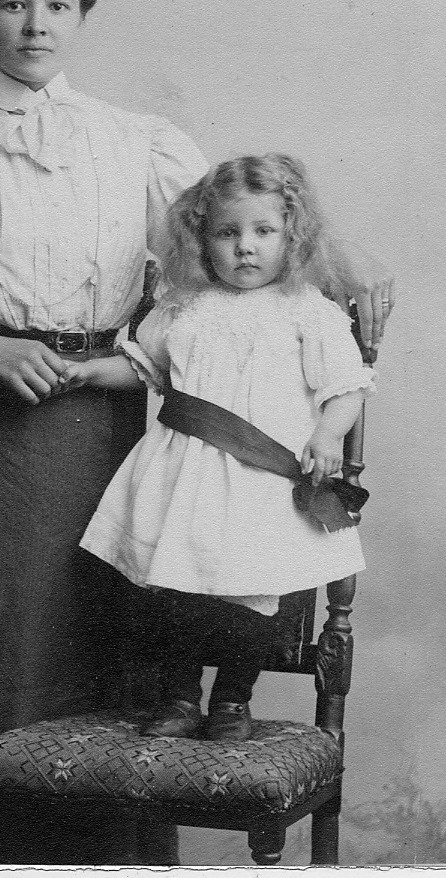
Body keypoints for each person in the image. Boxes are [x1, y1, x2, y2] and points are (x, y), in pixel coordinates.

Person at [0, 0, 393, 865]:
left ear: (82, 14)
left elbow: (254, 222)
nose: (35, 25)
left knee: (101, 678)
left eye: (57, 4)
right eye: (12, 4)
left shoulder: (146, 146)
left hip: (112, 448)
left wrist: (353, 259)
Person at [78, 154, 377, 741]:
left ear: (291, 237)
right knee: (171, 589)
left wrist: (326, 434)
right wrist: (87, 374)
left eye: (263, 231)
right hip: (180, 473)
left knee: (252, 594)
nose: (245, 247)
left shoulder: (306, 311)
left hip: (257, 478)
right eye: (227, 232)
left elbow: (348, 388)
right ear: (200, 239)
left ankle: (232, 699)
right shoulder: (183, 306)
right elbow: (145, 368)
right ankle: (179, 696)